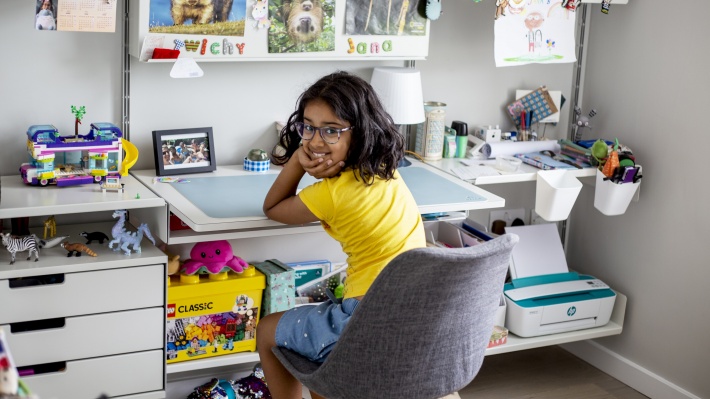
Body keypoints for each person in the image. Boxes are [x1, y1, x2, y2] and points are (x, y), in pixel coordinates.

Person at [257, 71, 426, 399]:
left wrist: (296, 163)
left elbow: (273, 206)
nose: (316, 142)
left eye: (331, 131)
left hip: (364, 319)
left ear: (360, 134)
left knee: (267, 330)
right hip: (411, 313)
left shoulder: (332, 194)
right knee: (315, 342)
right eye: (308, 127)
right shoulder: (387, 170)